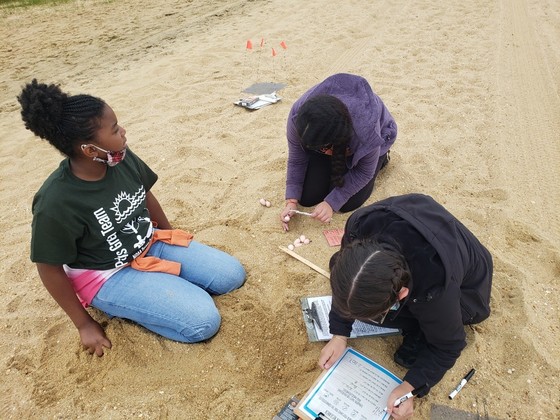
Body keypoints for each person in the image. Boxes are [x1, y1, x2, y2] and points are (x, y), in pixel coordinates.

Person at [18, 80, 246, 357]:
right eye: (115, 129)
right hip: (107, 273)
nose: (123, 132)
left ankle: (163, 292)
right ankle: (124, 303)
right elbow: (48, 267)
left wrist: (173, 239)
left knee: (231, 276)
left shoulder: (118, 157)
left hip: (147, 243)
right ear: (90, 150)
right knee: (203, 322)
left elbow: (144, 194)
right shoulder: (55, 202)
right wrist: (84, 324)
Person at [318, 193, 492, 420]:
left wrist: (409, 387)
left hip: (469, 291)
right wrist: (339, 333)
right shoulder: (357, 227)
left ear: (403, 294)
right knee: (360, 302)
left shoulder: (435, 283)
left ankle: (419, 331)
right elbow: (349, 289)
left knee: (427, 325)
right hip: (427, 236)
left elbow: (450, 345)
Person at [280, 73, 397, 231]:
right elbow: (297, 158)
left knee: (347, 204)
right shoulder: (299, 117)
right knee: (307, 198)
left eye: (322, 149)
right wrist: (291, 200)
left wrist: (331, 203)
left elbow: (363, 172)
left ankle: (382, 158)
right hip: (328, 138)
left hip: (369, 141)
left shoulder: (366, 131)